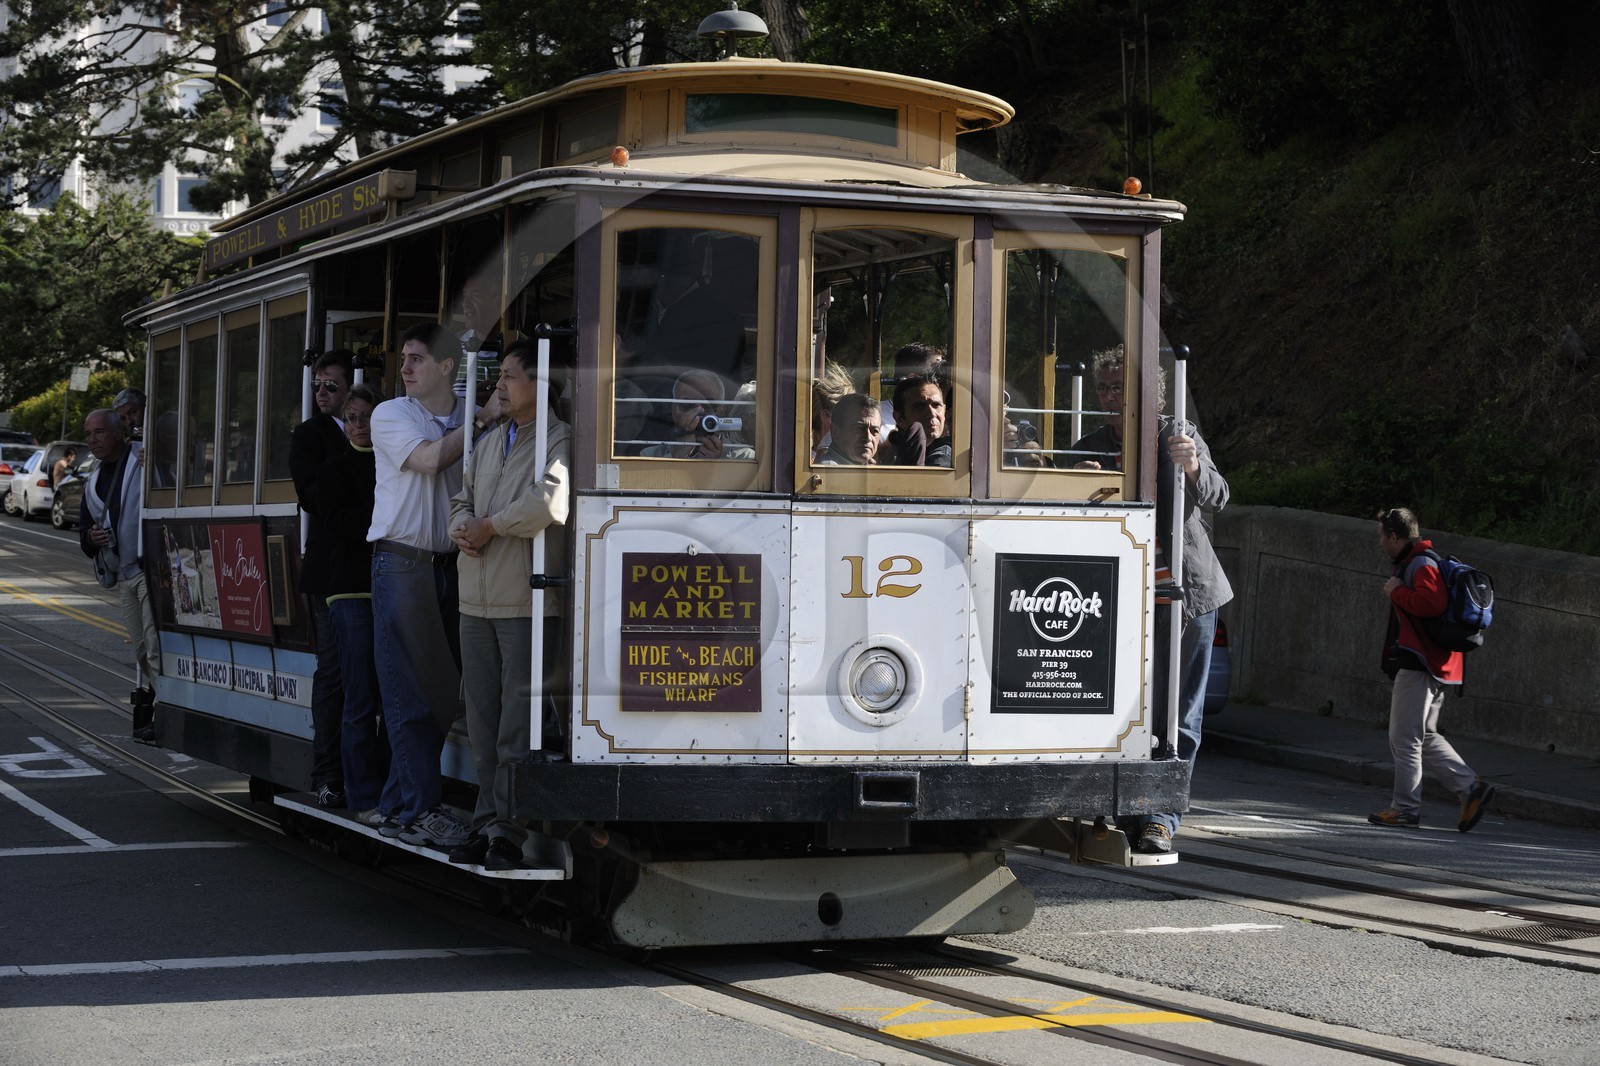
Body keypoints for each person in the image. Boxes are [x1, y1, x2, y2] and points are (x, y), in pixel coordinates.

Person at [1071, 344, 1232, 855]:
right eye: (1105, 388)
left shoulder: (1176, 434)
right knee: (1120, 708)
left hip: (1185, 593)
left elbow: (1219, 494)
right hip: (1117, 597)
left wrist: (1191, 468)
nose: (1111, 396)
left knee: (1179, 714)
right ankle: (1120, 805)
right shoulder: (1088, 444)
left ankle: (1160, 816)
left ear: (1149, 392)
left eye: (1121, 387)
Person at [367, 322, 500, 848]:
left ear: (447, 366)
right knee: (409, 693)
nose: (405, 368)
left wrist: (482, 415)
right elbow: (429, 459)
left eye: (417, 359)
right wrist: (482, 418)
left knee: (444, 697)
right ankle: (420, 808)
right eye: (403, 358)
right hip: (402, 562)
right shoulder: (391, 412)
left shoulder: (467, 409)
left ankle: (400, 807)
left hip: (454, 564)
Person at [446, 340, 571, 870]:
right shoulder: (492, 439)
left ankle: (507, 832)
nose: (499, 384)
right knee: (481, 722)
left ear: (541, 385)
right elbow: (460, 497)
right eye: (500, 375)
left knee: (515, 727)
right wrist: (462, 529)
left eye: (511, 376)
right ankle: (484, 822)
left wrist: (488, 527)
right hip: (475, 600)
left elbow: (549, 503)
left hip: (525, 605)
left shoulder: (560, 439)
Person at [1369, 508, 1496, 831]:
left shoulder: (1420, 564)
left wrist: (1396, 591)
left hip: (1420, 664)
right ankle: (1469, 788)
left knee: (1404, 737)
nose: (1381, 543)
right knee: (1423, 735)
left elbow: (1432, 604)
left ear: (1395, 537)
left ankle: (1405, 808)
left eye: (1383, 536)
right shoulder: (1419, 561)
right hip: (1436, 663)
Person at [313, 385, 391, 819]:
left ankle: (392, 792)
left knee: (395, 699)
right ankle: (363, 797)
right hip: (351, 592)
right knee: (359, 696)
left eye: (368, 418)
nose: (360, 426)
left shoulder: (396, 464)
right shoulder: (334, 469)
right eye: (353, 418)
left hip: (398, 587)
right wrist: (383, 507)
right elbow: (341, 526)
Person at [290, 349, 354, 808]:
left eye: (331, 386)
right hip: (329, 569)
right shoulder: (309, 435)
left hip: (370, 568)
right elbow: (311, 497)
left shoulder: (375, 426)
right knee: (332, 671)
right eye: (317, 385)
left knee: (366, 675)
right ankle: (327, 773)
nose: (322, 393)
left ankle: (364, 769)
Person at [78, 409, 161, 743]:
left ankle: (165, 710)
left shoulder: (141, 458)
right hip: (124, 575)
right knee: (141, 649)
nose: (92, 440)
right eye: (87, 434)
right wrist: (90, 539)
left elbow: (166, 482)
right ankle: (161, 700)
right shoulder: (93, 481)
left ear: (117, 433)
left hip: (149, 569)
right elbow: (84, 529)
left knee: (154, 647)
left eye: (98, 432)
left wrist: (153, 456)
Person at [640, 368, 753, 460]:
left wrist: (717, 468)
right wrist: (678, 456)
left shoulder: (745, 458)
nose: (699, 411)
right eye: (687, 405)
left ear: (721, 410)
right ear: (674, 410)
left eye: (709, 404)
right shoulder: (650, 456)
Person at [886, 369, 951, 467]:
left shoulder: (953, 457)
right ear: (899, 418)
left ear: (945, 411)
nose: (932, 413)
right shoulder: (887, 455)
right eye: (920, 406)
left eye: (936, 405)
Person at [816, 393, 881, 465]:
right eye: (859, 428)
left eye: (875, 431)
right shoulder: (828, 471)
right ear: (835, 432)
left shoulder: (865, 468)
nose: (868, 438)